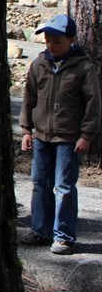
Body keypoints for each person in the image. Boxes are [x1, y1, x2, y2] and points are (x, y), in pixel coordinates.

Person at [19, 14, 100, 255]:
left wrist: (86, 135)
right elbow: (28, 98)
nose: (51, 46)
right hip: (42, 136)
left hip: (69, 138)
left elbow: (93, 104)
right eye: (47, 41)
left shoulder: (83, 67)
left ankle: (63, 236)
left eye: (56, 41)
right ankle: (40, 230)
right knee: (39, 184)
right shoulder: (39, 64)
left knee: (64, 187)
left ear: (71, 40)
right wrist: (26, 130)